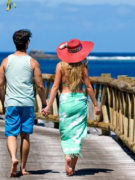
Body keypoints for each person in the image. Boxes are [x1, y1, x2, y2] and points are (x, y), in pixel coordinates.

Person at [42, 39, 100, 176]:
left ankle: (67, 156)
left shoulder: (60, 66)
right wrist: (96, 105)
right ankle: (72, 167)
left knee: (66, 132)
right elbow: (89, 87)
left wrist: (48, 106)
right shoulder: (83, 66)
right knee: (77, 134)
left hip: (66, 101)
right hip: (79, 101)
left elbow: (55, 87)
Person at [0, 29, 47, 177]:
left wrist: (2, 101)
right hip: (27, 103)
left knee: (11, 134)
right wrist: (44, 103)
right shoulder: (32, 62)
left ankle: (14, 158)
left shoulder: (6, 61)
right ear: (27, 43)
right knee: (25, 135)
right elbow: (40, 85)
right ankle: (23, 167)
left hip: (11, 102)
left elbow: (0, 85)